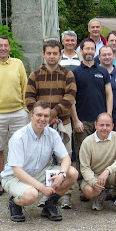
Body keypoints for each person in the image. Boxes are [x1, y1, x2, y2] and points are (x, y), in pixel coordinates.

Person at [2, 101, 78, 222]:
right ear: (31, 115)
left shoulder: (52, 134)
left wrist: (61, 174)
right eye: (39, 115)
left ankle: (49, 205)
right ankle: (15, 203)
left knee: (72, 173)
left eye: (46, 116)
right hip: (14, 178)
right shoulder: (19, 137)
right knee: (31, 195)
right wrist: (42, 188)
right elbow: (17, 171)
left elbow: (66, 158)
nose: (42, 119)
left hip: (39, 172)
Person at [25, 40, 77, 208]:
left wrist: (52, 114)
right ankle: (45, 193)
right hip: (41, 126)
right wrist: (45, 119)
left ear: (60, 55)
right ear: (43, 54)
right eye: (49, 53)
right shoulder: (35, 75)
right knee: (43, 159)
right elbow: (29, 100)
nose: (52, 56)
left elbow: (70, 97)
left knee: (65, 157)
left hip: (62, 123)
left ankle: (65, 194)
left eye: (55, 53)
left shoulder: (68, 74)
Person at [0, 35, 30, 197]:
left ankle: (19, 177)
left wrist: (26, 108)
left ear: (9, 47)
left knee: (20, 147)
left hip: (19, 113)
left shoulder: (18, 64)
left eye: (5, 45)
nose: (3, 48)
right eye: (0, 45)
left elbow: (25, 86)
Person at [71, 38, 113, 174]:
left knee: (104, 152)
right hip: (83, 121)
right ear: (81, 50)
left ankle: (105, 181)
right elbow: (71, 98)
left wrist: (108, 116)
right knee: (83, 153)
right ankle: (84, 182)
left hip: (101, 121)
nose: (90, 51)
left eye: (92, 49)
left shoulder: (103, 71)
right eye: (87, 48)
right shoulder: (75, 73)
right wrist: (76, 120)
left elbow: (109, 94)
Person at [79, 113, 116, 215]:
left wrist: (108, 171)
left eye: (108, 125)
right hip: (95, 175)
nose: (104, 128)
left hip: (111, 173)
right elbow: (85, 168)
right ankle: (99, 195)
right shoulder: (87, 142)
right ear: (96, 125)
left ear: (112, 126)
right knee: (88, 191)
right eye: (101, 125)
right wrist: (94, 182)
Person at [98, 46, 116, 133]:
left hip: (115, 116)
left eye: (109, 54)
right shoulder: (94, 72)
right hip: (96, 114)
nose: (107, 57)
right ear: (99, 57)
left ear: (114, 56)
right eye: (104, 55)